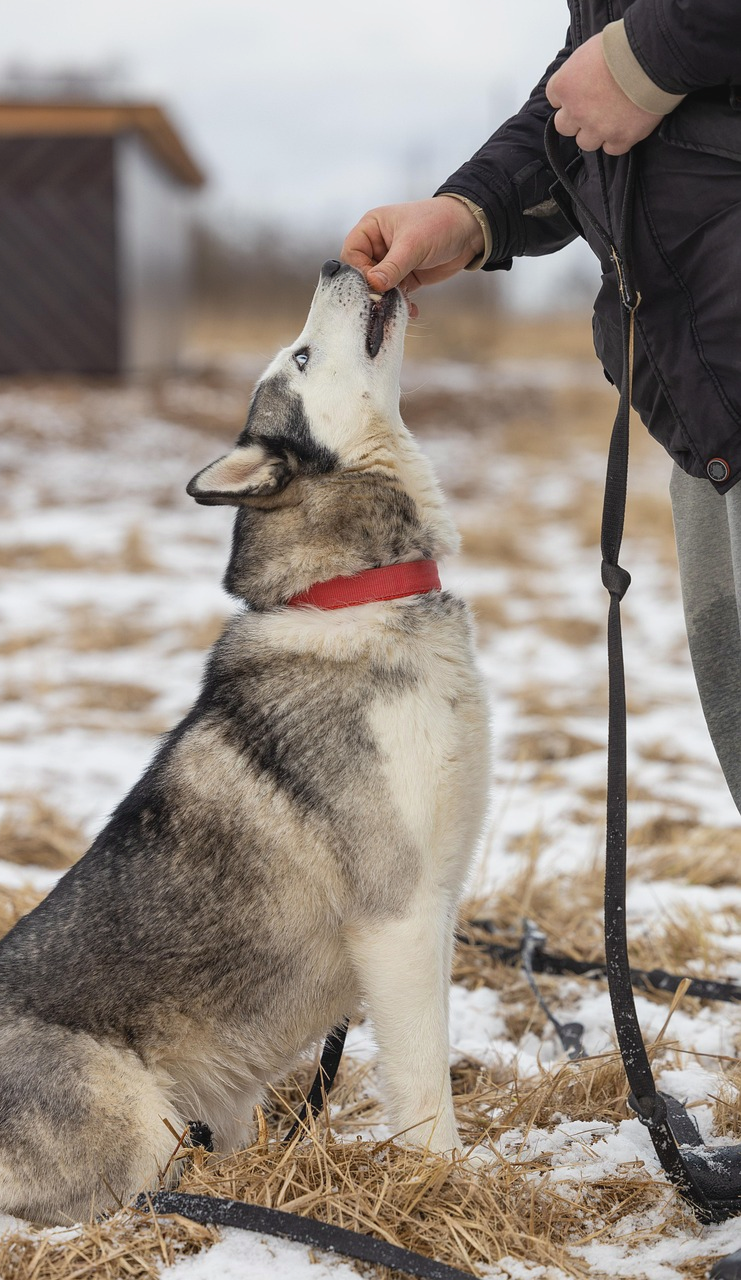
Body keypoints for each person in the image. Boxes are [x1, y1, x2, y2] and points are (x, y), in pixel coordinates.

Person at [341, 0, 741, 813]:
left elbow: (621, 63)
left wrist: (648, 56)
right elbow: (585, 86)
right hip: (709, 404)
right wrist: (467, 211)